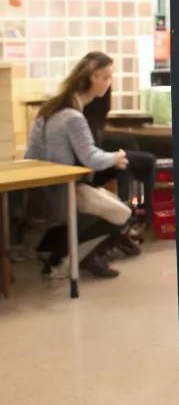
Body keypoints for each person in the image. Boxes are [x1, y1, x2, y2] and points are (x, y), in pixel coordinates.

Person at [26, 52, 135, 279]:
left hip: (44, 191)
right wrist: (116, 158)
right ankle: (66, 260)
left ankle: (58, 253)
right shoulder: (73, 117)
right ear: (94, 77)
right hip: (64, 192)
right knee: (121, 214)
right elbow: (91, 158)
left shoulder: (49, 109)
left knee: (108, 203)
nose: (109, 82)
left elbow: (31, 154)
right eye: (106, 76)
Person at [82, 88, 156, 229]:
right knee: (143, 159)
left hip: (94, 161)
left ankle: (133, 215)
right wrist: (113, 158)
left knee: (128, 151)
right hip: (90, 169)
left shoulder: (87, 112)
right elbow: (91, 153)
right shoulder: (86, 114)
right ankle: (141, 217)